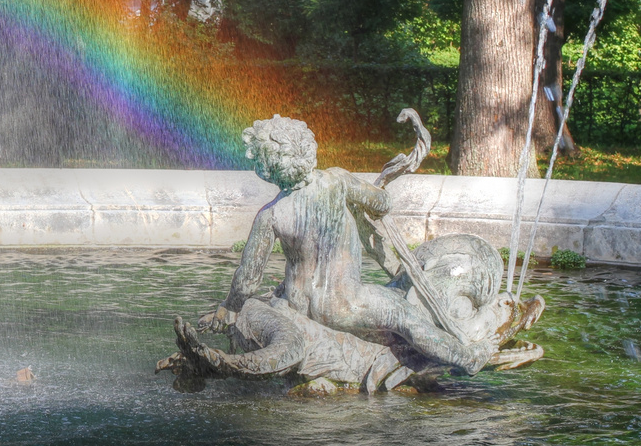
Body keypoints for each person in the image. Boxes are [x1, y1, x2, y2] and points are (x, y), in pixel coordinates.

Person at [200, 115, 492, 374]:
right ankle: (468, 358)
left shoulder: (271, 214)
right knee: (408, 316)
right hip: (344, 304)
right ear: (306, 148)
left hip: (298, 304)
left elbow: (247, 279)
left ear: (266, 167)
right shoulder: (337, 182)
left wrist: (230, 307)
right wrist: (374, 201)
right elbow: (382, 201)